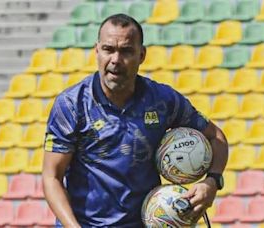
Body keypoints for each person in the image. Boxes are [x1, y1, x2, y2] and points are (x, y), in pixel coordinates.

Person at [42, 14, 228, 228]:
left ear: (142, 55)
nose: (115, 60)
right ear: (97, 51)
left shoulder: (162, 100)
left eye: (126, 51)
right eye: (108, 49)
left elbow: (216, 137)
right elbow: (51, 177)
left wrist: (212, 182)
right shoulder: (72, 105)